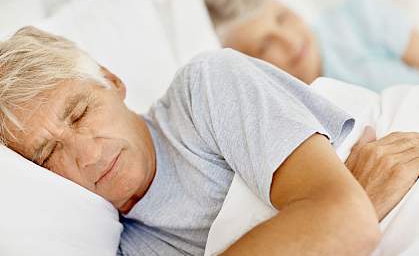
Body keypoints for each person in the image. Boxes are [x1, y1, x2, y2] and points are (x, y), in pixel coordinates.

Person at [3, 26, 419, 256]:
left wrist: (340, 216)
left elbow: (346, 223)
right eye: (47, 154)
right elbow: (348, 216)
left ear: (111, 80)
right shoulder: (118, 246)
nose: (88, 155)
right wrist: (358, 199)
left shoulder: (203, 90)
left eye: (79, 113)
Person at [202, 0, 419, 92]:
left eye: (282, 17)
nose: (289, 41)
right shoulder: (287, 113)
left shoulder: (360, 16)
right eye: (265, 46)